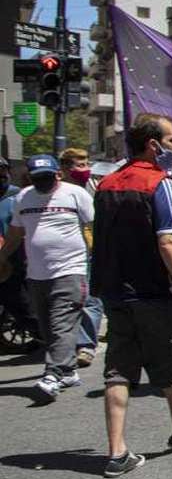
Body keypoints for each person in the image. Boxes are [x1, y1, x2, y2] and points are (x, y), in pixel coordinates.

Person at [91, 113, 172, 478]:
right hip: (156, 293)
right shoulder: (158, 182)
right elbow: (167, 241)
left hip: (117, 293)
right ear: (153, 144)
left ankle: (117, 451)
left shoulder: (106, 184)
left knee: (117, 369)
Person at [0, 154, 94, 400]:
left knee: (61, 323)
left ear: (58, 174)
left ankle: (52, 375)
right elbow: (15, 234)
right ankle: (68, 370)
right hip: (36, 274)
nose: (43, 182)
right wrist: (1, 257)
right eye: (38, 178)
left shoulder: (76, 194)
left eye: (47, 177)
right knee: (46, 327)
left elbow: (95, 226)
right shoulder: (23, 197)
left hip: (70, 270)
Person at [58, 148, 103, 369]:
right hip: (62, 254)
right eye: (80, 165)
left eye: (87, 164)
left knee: (90, 298)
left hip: (91, 250)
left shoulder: (95, 187)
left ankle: (85, 345)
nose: (85, 169)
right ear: (65, 168)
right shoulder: (56, 190)